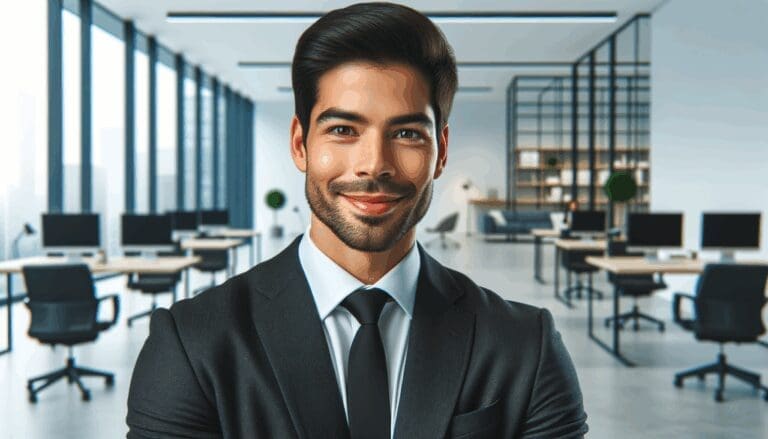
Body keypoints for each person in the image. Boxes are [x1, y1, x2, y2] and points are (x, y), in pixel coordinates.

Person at [126, 2, 588, 438]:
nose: (374, 165)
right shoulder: (192, 344)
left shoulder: (526, 346)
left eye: (406, 133)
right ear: (301, 144)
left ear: (440, 152)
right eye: (343, 130)